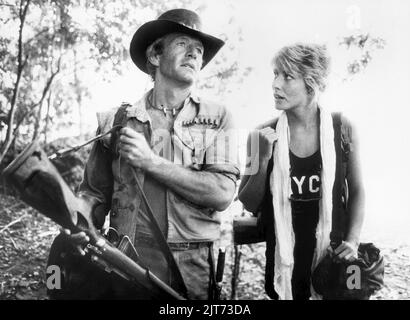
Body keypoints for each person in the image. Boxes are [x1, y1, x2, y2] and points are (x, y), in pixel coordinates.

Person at [52, 8, 239, 300]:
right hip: (124, 262)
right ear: (155, 56)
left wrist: (150, 162)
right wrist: (80, 223)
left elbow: (222, 193)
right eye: (182, 44)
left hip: (190, 271)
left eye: (199, 50)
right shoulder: (117, 122)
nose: (193, 54)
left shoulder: (218, 118)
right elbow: (94, 195)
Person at [238, 43, 365, 300]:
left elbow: (358, 190)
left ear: (311, 83)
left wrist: (353, 241)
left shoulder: (342, 128)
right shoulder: (261, 134)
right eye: (275, 74)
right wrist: (262, 159)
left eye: (287, 76)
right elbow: (249, 202)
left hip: (335, 260)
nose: (275, 84)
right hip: (285, 261)